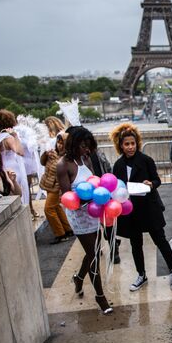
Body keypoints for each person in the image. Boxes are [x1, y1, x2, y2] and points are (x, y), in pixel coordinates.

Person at [111, 123, 172, 292]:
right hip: (130, 211)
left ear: (137, 143)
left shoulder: (146, 160)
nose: (130, 147)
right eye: (126, 144)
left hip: (149, 207)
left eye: (132, 143)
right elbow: (115, 187)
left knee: (160, 240)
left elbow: (157, 180)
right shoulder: (118, 165)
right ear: (121, 146)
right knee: (136, 244)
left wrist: (151, 184)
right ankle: (141, 274)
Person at [56, 126, 113, 315]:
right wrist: (90, 198)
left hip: (93, 212)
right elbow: (67, 196)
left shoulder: (86, 158)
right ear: (73, 144)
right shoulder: (63, 165)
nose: (86, 149)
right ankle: (100, 296)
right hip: (78, 215)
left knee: (93, 251)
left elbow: (95, 182)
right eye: (82, 145)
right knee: (94, 255)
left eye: (88, 145)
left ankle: (79, 278)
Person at [0, 110, 30, 205]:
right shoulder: (4, 137)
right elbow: (20, 152)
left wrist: (14, 136)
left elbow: (20, 152)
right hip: (9, 168)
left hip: (5, 169)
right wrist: (15, 136)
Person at [39, 133, 73, 244]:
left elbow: (63, 176)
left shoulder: (67, 158)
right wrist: (45, 154)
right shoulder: (53, 153)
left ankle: (60, 234)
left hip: (56, 188)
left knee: (48, 209)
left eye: (62, 143)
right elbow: (43, 163)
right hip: (48, 185)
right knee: (56, 208)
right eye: (58, 142)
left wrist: (60, 192)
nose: (60, 145)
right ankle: (67, 229)